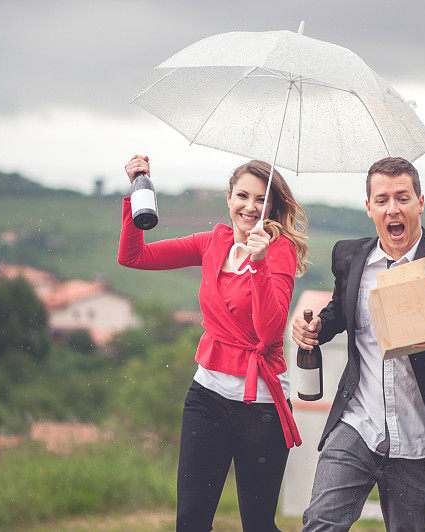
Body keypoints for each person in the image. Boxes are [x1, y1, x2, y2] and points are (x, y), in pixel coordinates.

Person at [292, 157, 425, 532]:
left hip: (422, 438)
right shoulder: (349, 256)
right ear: (368, 207)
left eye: (402, 197)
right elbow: (340, 310)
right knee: (320, 522)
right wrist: (318, 328)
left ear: (420, 201)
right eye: (382, 199)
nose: (393, 208)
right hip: (358, 422)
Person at [119, 155, 308, 532]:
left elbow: (269, 333)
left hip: (262, 407)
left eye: (260, 199)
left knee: (257, 524)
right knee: (190, 520)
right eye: (242, 196)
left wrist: (258, 263)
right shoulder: (211, 242)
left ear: (272, 206)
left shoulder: (279, 250)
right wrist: (137, 194)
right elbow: (133, 256)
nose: (250, 207)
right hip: (207, 397)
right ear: (228, 198)